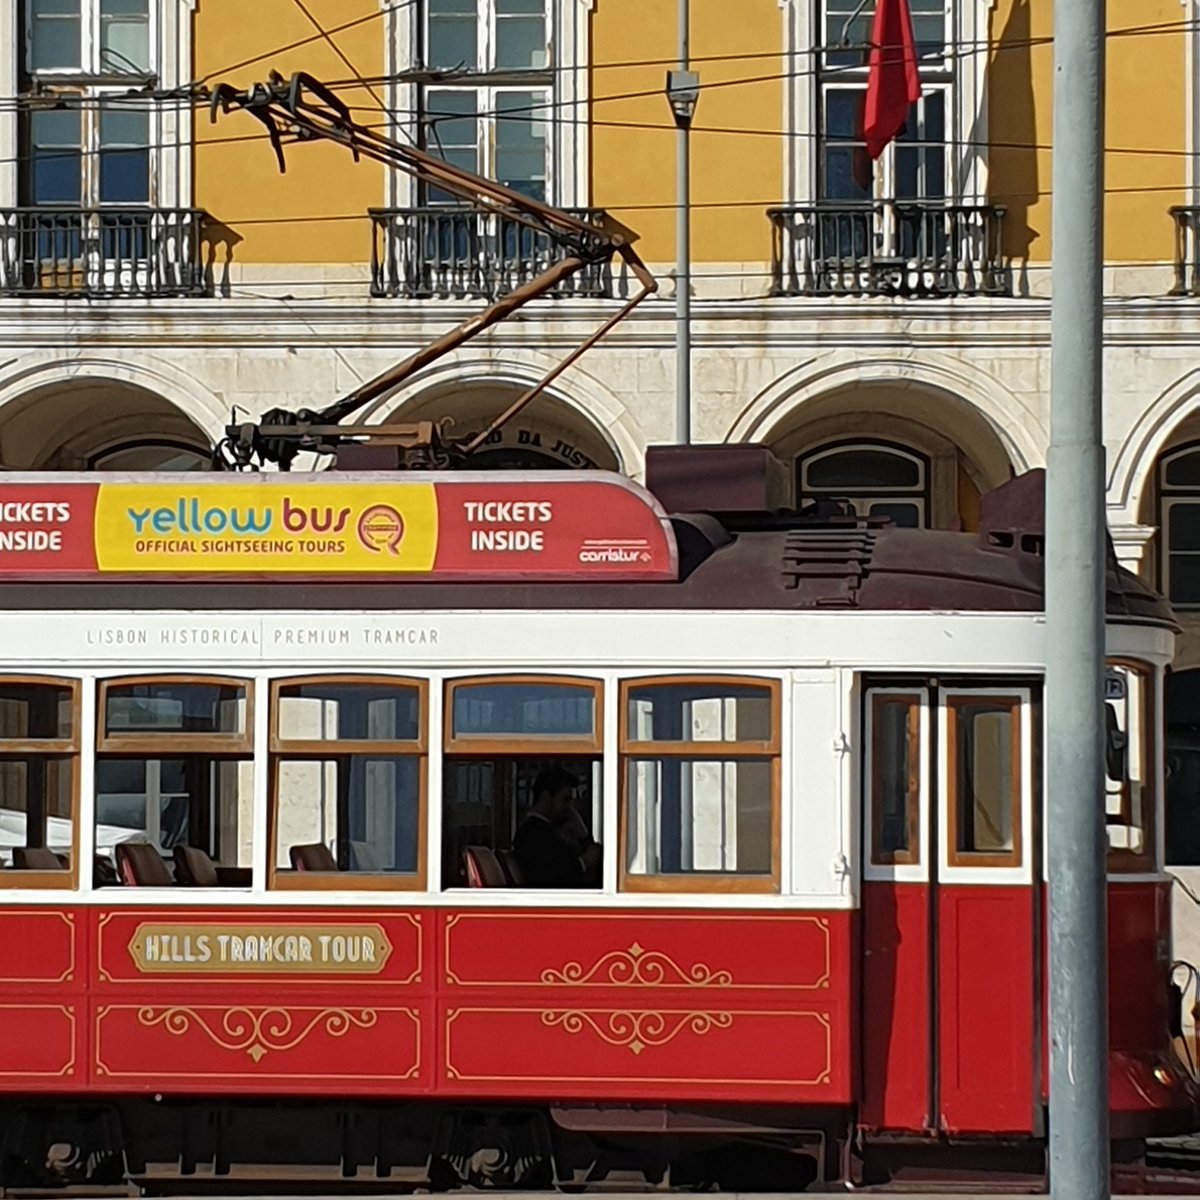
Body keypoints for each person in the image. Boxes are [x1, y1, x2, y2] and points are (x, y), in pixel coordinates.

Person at [513, 767, 602, 887]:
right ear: (545, 798)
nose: (570, 808)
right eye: (565, 799)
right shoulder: (532, 834)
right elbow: (554, 876)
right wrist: (584, 862)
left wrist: (582, 833)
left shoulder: (548, 832)